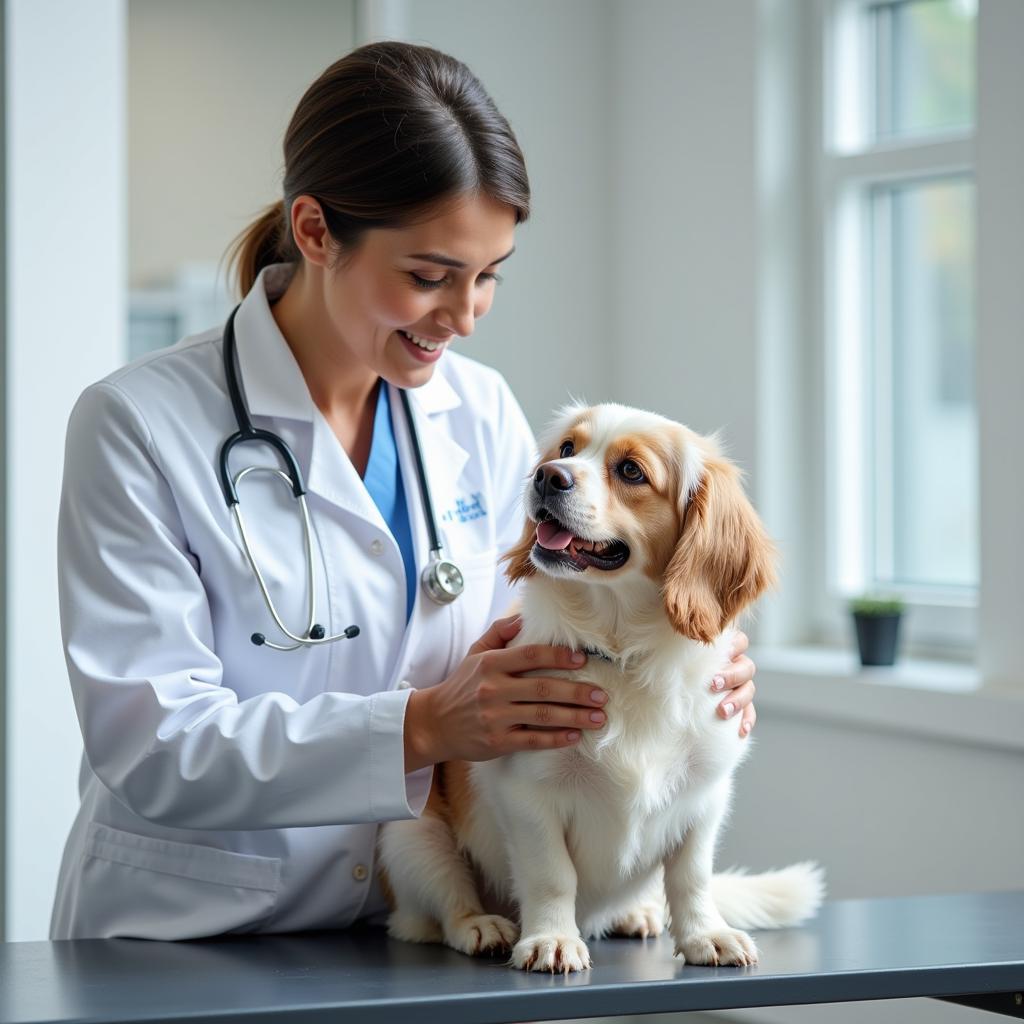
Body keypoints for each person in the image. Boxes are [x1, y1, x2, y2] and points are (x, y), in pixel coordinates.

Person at [49, 40, 759, 942]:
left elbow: (543, 638)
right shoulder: (137, 424)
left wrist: (692, 660)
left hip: (421, 925)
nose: (462, 318)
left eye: (489, 276)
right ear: (314, 231)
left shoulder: (479, 410)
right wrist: (418, 730)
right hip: (190, 927)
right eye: (429, 277)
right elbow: (152, 746)